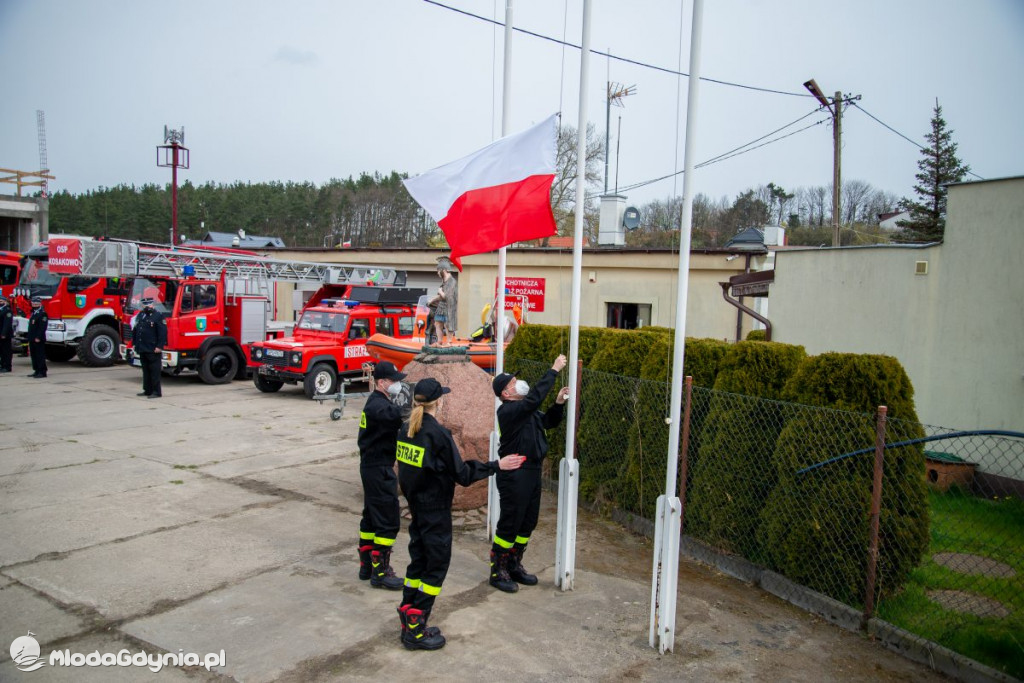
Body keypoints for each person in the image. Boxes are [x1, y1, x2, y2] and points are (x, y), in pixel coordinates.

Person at [396, 377, 525, 651]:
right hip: (435, 511)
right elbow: (463, 475)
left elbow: (406, 474)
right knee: (435, 567)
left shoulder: (406, 429)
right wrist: (496, 465)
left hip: (417, 508)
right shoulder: (438, 434)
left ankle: (408, 613)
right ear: (438, 402)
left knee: (418, 563)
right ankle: (416, 630)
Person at [489, 354, 570, 592]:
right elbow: (534, 400)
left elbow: (548, 423)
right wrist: (553, 370)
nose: (518, 383)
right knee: (510, 521)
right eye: (512, 383)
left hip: (532, 471)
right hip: (516, 472)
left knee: (528, 521)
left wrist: (558, 404)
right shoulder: (509, 411)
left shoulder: (526, 410)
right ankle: (498, 569)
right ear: (505, 393)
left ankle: (514, 563)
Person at [357, 360, 407, 590]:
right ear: (382, 383)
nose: (397, 384)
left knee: (370, 517)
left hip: (372, 466)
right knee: (388, 520)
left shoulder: (377, 402)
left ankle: (366, 565)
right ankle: (380, 571)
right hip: (378, 468)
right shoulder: (378, 406)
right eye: (395, 381)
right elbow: (397, 417)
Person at [131, 297, 167, 398]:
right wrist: (135, 343)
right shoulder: (141, 315)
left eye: (149, 305)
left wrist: (159, 346)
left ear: (153, 305)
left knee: (154, 371)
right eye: (145, 305)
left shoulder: (158, 316)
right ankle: (147, 390)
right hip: (142, 347)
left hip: (153, 348)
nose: (147, 307)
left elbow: (162, 333)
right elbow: (136, 330)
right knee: (145, 370)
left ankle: (156, 392)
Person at [427, 257, 457, 346]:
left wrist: (440, 292)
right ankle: (439, 341)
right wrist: (432, 300)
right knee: (438, 323)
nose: (437, 273)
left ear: (443, 270)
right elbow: (441, 297)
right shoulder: (444, 282)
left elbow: (446, 296)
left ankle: (449, 342)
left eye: (438, 271)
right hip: (441, 307)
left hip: (449, 307)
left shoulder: (452, 282)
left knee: (448, 325)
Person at [26, 296, 48, 379]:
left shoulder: (42, 314)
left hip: (38, 338)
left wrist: (38, 337)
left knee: (40, 355)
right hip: (32, 338)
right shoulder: (34, 312)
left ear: (39, 304)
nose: (34, 304)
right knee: (34, 355)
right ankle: (36, 370)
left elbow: (42, 327)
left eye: (36, 303)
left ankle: (42, 371)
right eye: (33, 303)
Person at [0, 294, 13, 373]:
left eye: (1, 301)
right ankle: (2, 365)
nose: (0, 302)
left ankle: (7, 366)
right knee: (1, 351)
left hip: (5, 334)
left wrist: (3, 333)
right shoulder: (1, 309)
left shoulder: (7, 310)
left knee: (6, 351)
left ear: (5, 302)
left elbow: (7, 324)